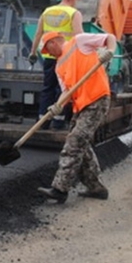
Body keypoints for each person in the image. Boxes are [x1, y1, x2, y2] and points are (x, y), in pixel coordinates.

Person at [36, 30, 117, 203]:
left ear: (54, 42)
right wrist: (58, 105)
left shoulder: (79, 41)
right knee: (81, 145)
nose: (48, 53)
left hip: (97, 99)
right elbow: (66, 91)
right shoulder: (59, 66)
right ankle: (96, 188)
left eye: (48, 48)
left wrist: (109, 51)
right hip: (81, 106)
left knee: (74, 142)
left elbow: (110, 38)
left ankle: (60, 189)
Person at [29, 0, 84, 129]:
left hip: (48, 55)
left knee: (48, 87)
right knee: (62, 88)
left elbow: (38, 34)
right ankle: (58, 122)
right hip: (66, 57)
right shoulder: (74, 13)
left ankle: (43, 121)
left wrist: (33, 52)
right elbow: (79, 36)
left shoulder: (47, 12)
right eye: (75, 0)